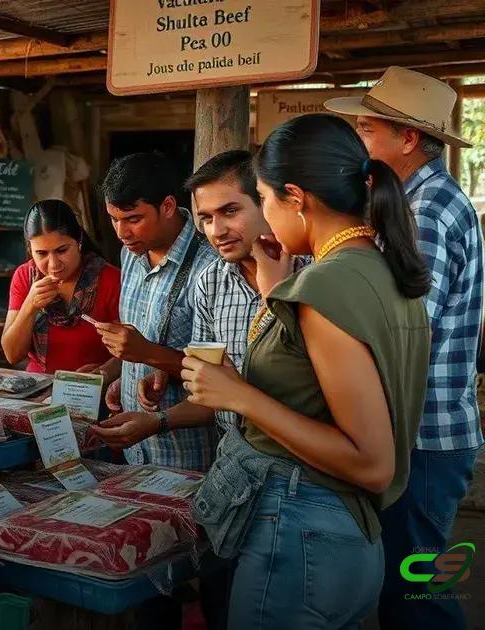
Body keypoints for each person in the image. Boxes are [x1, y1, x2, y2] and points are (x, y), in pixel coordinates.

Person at [182, 113, 431, 627]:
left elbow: (371, 462)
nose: (266, 218)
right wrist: (277, 291)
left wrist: (238, 395)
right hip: (342, 538)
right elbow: (319, 382)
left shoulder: (325, 286)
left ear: (295, 197)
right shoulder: (375, 269)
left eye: (264, 199)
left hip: (301, 531)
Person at [326, 67, 483, 629]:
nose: (358, 140)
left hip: (423, 436)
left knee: (417, 597)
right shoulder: (415, 201)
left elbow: (409, 332)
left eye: (368, 130)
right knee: (407, 587)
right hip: (421, 433)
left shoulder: (426, 211)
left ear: (408, 138)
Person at [105, 150, 306, 449]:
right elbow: (207, 389)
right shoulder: (212, 282)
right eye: (207, 218)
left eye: (230, 211)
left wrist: (276, 296)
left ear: (267, 203)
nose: (217, 231)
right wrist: (157, 416)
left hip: (300, 461)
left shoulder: (310, 274)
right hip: (232, 457)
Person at [93, 152, 220, 472]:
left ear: (167, 206)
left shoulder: (211, 266)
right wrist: (119, 377)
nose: (121, 232)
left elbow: (221, 376)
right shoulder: (130, 254)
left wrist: (146, 353)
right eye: (114, 219)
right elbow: (135, 346)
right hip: (134, 452)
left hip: (187, 456)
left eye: (133, 219)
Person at [1, 199, 121, 380]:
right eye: (41, 253)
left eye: (62, 250)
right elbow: (12, 355)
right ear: (30, 249)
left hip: (92, 387)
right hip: (38, 386)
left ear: (79, 241)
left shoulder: (110, 279)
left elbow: (132, 350)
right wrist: (30, 305)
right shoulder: (25, 276)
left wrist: (105, 372)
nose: (53, 264)